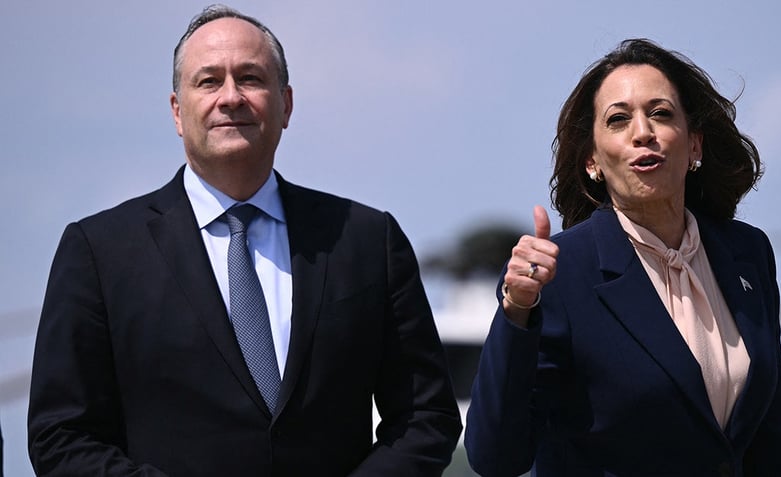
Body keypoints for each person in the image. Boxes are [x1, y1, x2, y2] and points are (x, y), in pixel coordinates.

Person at [28, 5, 461, 476]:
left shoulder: (366, 240)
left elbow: (426, 416)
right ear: (177, 110)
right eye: (208, 81)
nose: (230, 97)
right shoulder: (100, 251)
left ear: (286, 104)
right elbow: (61, 435)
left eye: (250, 78)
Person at [465, 39, 781, 476]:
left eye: (660, 114)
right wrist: (516, 309)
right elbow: (495, 456)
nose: (643, 132)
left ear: (694, 145)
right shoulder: (561, 272)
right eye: (618, 120)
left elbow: (771, 434)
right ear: (592, 161)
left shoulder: (747, 253)